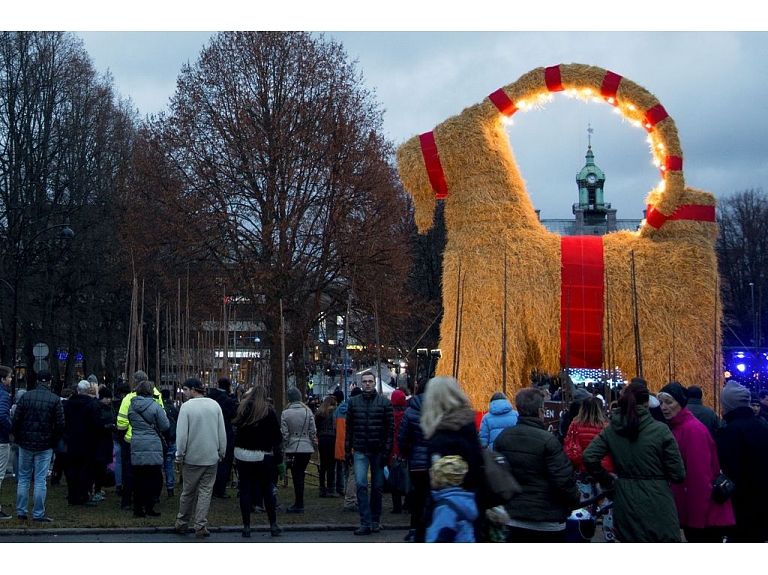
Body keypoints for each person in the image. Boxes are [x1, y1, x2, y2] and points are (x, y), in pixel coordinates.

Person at [583, 379, 686, 542]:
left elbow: (589, 457)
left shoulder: (612, 430)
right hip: (658, 499)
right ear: (646, 404)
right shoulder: (660, 430)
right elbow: (678, 474)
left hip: (624, 498)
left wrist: (608, 480)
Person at [494, 387, 580, 542]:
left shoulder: (503, 438)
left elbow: (499, 477)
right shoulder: (548, 441)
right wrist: (574, 501)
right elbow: (563, 480)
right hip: (546, 519)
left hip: (512, 516)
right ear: (540, 410)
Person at [657, 382, 735, 542]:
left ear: (681, 403)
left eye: (669, 402)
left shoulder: (691, 430)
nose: (664, 407)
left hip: (703, 514)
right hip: (695, 510)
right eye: (661, 403)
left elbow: (700, 477)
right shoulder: (679, 427)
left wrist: (696, 518)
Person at [420, 376, 484, 541]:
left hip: (448, 509)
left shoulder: (444, 435)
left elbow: (438, 480)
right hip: (471, 503)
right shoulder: (467, 426)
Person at [715, 380, 768, 542]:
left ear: (728, 405)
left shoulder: (731, 430)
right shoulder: (762, 426)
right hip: (762, 496)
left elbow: (729, 468)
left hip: (741, 500)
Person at [173, 377, 226, 538]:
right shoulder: (214, 405)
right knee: (205, 491)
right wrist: (221, 452)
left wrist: (179, 456)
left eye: (185, 390)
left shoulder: (186, 408)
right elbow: (221, 431)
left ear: (193, 390)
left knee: (188, 492)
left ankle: (182, 522)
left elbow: (182, 435)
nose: (184, 393)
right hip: (211, 456)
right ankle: (201, 525)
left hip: (192, 457)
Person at [11, 369, 65, 522]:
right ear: (50, 381)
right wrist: (53, 441)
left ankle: (21, 511)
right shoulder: (54, 400)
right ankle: (38, 513)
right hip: (45, 444)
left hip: (25, 443)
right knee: (40, 480)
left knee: (23, 478)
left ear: (36, 381)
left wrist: (18, 437)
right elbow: (60, 424)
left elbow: (16, 420)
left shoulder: (26, 397)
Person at [345, 370, 394, 536]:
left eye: (370, 381)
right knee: (361, 485)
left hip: (378, 450)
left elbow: (390, 430)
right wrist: (347, 449)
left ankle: (374, 519)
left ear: (374, 383)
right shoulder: (353, 403)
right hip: (360, 449)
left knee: (377, 487)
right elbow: (349, 428)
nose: (367, 384)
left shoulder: (384, 403)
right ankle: (365, 521)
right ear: (361, 383)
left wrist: (387, 451)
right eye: (364, 381)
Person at [232, 386, 283, 538]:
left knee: (245, 490)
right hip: (262, 454)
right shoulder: (268, 413)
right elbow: (276, 438)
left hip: (241, 453)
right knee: (266, 489)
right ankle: (273, 524)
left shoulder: (241, 410)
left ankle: (246, 525)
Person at [563, 395, 615, 542]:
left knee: (584, 506)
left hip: (581, 471)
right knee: (607, 508)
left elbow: (568, 445)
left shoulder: (575, 424)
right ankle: (609, 536)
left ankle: (583, 535)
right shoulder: (606, 426)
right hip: (602, 471)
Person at [116, 370, 164, 510]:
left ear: (135, 382)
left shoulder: (128, 399)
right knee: (153, 471)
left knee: (131, 472)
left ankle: (127, 500)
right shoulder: (157, 397)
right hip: (153, 439)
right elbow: (163, 420)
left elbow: (121, 423)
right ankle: (151, 499)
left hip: (132, 440)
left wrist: (125, 435)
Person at [127, 380, 169, 518]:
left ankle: (138, 508)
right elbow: (165, 426)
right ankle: (150, 507)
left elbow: (130, 422)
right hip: (152, 444)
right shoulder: (155, 406)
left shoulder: (131, 406)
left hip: (137, 442)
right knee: (152, 477)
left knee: (138, 478)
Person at [398, 378, 430, 543]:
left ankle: (414, 529)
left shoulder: (410, 411)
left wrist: (407, 453)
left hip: (416, 463)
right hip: (433, 461)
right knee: (433, 497)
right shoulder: (439, 409)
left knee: (418, 496)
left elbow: (402, 437)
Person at [63, 380, 103, 506]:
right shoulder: (92, 405)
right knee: (86, 471)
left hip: (72, 442)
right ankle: (83, 496)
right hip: (88, 442)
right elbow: (97, 424)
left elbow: (63, 422)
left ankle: (72, 495)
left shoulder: (68, 404)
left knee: (72, 470)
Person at [425, 455, 478, 543]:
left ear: (441, 481)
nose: (430, 480)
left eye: (432, 478)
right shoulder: (463, 499)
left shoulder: (445, 507)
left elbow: (442, 537)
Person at [280, 386, 316, 514]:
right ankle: (299, 501)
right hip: (306, 447)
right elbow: (313, 431)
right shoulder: (308, 412)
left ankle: (299, 503)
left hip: (293, 446)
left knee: (296, 475)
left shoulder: (285, 413)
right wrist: (311, 442)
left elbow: (284, 433)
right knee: (300, 473)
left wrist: (286, 444)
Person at [208, 377, 238, 499]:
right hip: (225, 431)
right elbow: (235, 414)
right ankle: (220, 490)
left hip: (210, 431)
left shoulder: (209, 398)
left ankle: (209, 487)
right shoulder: (229, 400)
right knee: (224, 462)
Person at [334, 387, 359, 512]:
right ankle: (350, 501)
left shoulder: (339, 409)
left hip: (340, 447)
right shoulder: (356, 410)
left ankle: (348, 496)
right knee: (353, 475)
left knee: (346, 473)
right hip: (352, 448)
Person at [92, 386, 116, 502]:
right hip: (98, 441)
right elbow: (95, 424)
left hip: (106, 441)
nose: (108, 400)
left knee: (102, 467)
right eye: (106, 398)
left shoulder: (110, 408)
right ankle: (95, 489)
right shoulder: (97, 407)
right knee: (98, 467)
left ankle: (97, 488)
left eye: (109, 398)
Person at [314, 395, 338, 498]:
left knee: (323, 465)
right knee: (331, 465)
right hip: (332, 438)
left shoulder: (320, 413)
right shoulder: (335, 412)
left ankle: (322, 488)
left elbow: (317, 427)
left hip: (322, 438)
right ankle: (330, 489)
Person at [389, 388, 408, 514]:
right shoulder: (407, 414)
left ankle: (397, 506)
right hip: (405, 449)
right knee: (407, 477)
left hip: (392, 450)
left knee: (394, 479)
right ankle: (408, 502)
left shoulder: (389, 415)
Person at [160, 389, 179, 497]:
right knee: (170, 464)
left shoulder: (160, 408)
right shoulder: (174, 409)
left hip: (162, 439)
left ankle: (157, 487)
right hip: (172, 439)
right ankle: (170, 488)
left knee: (158, 465)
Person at [0, 366, 13, 519]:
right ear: (3, 379)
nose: (11, 379)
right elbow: (2, 416)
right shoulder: (3, 395)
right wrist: (11, 429)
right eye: (9, 377)